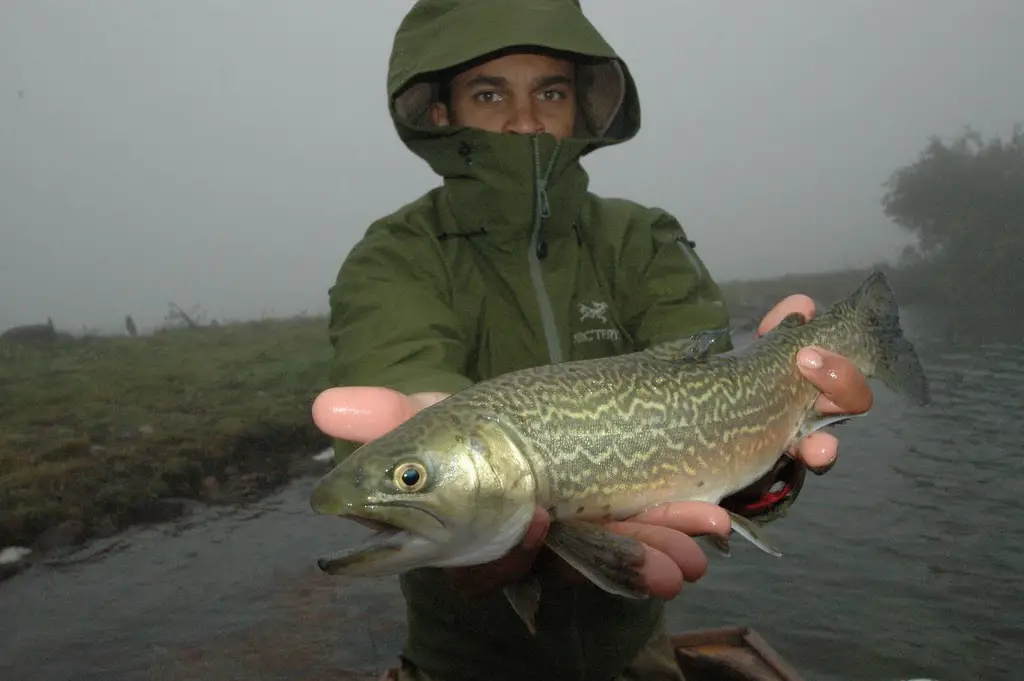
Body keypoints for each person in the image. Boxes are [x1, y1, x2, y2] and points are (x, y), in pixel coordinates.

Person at [313, 1, 873, 679]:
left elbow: (715, 416)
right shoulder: (394, 258)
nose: (524, 121)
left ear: (579, 107)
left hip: (635, 652)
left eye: (549, 91)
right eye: (489, 93)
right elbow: (401, 381)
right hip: (462, 662)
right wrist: (423, 476)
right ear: (442, 113)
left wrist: (774, 465)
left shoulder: (644, 239)